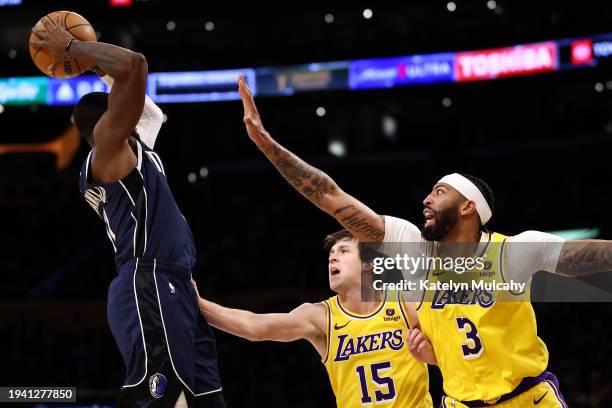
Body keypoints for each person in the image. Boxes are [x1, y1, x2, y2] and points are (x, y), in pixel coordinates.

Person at [235, 74, 612, 406]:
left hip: (527, 398)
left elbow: (597, 258)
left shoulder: (514, 251)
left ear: (468, 207)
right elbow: (331, 198)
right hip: (460, 403)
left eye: (439, 192)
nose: (426, 200)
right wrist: (267, 144)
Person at [31, 17, 224, 407]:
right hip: (147, 280)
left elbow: (145, 107)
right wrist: (73, 48)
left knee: (202, 398)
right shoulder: (108, 152)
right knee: (161, 399)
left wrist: (93, 65)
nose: (135, 107)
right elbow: (134, 67)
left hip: (172, 281)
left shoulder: (135, 147)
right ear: (110, 120)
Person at [194, 229, 435, 407]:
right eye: (331, 254)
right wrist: (197, 304)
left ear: (368, 264)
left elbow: (455, 349)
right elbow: (254, 326)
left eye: (343, 251)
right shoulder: (320, 316)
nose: (332, 258)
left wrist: (431, 356)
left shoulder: (404, 301)